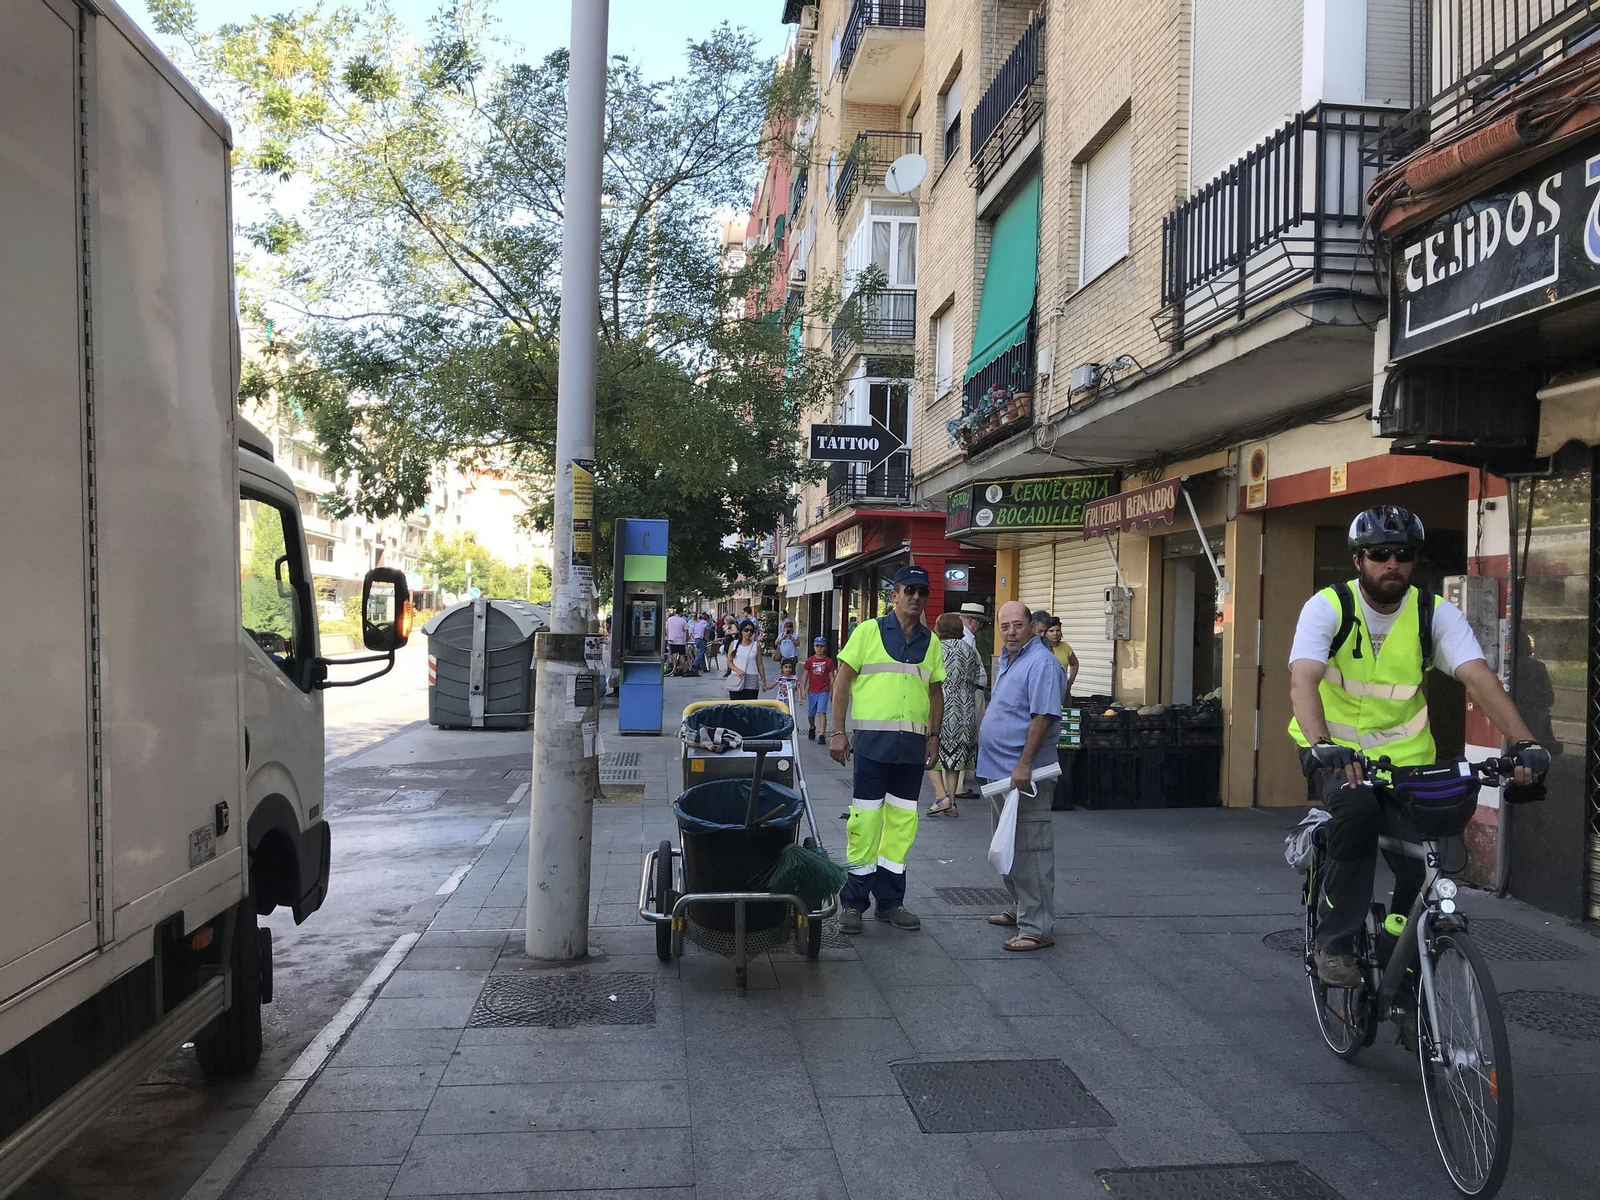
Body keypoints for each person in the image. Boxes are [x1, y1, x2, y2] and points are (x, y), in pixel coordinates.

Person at [1289, 505, 1549, 987]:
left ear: (1414, 559)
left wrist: (1525, 742)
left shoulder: (1433, 613)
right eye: (1379, 553)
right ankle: (1335, 943)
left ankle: (1399, 963)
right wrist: (1323, 743)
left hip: (1409, 762)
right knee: (1359, 810)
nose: (1392, 563)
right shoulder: (1328, 607)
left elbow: (1480, 678)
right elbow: (1302, 681)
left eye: (1403, 553)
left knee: (1424, 860)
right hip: (1336, 756)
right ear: (1358, 560)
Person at [829, 565, 946, 933]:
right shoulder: (868, 632)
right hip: (871, 748)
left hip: (911, 751)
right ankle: (853, 905)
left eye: (921, 591)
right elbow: (842, 682)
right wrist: (837, 731)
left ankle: (891, 903)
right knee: (864, 824)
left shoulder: (932, 643)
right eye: (908, 589)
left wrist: (933, 737)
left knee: (901, 826)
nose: (915, 596)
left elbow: (935, 693)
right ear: (893, 595)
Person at [976, 601, 1067, 951]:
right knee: (1009, 846)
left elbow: (1042, 716)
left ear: (1031, 626)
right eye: (1004, 626)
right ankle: (1020, 907)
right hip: (1001, 774)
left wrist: (1024, 764)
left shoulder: (1041, 663)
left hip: (1026, 777)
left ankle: (1037, 925)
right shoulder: (1012, 659)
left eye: (1017, 625)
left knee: (1031, 848)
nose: (1011, 632)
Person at [926, 611, 982, 817]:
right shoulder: (969, 650)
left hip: (939, 709)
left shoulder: (935, 649)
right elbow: (978, 679)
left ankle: (941, 797)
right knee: (954, 759)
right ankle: (951, 802)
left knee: (928, 754)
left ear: (941, 629)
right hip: (965, 711)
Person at [802, 636, 836, 742]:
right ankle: (812, 727)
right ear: (813, 647)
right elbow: (805, 675)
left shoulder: (829, 662)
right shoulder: (810, 661)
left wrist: (833, 692)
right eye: (817, 646)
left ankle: (822, 735)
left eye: (821, 646)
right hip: (812, 690)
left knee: (822, 712)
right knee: (811, 714)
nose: (819, 649)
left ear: (825, 647)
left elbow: (831, 677)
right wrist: (802, 689)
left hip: (824, 690)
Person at [725, 619, 766, 700]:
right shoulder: (734, 644)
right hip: (736, 678)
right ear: (741, 631)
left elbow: (760, 664)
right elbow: (729, 662)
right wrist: (737, 670)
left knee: (750, 708)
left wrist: (764, 681)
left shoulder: (756, 645)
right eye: (746, 630)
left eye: (751, 631)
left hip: (752, 679)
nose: (748, 633)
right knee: (736, 707)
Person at [1043, 615, 1079, 699]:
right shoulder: (1041, 648)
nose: (1055, 634)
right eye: (1051, 631)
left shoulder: (1065, 647)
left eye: (1058, 630)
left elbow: (1074, 663)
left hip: (1062, 691)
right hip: (1045, 691)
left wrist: (1070, 681)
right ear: (1045, 633)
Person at [664, 606, 689, 675]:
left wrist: (669, 637)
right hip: (680, 640)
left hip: (671, 640)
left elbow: (667, 630)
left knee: (674, 655)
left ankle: (674, 670)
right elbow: (686, 631)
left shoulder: (669, 620)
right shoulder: (683, 620)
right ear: (681, 613)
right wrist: (686, 639)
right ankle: (684, 670)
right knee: (681, 655)